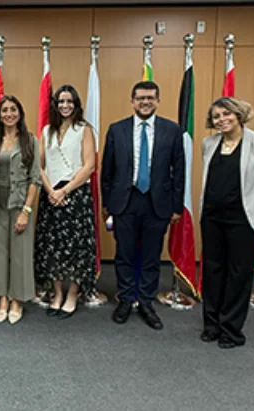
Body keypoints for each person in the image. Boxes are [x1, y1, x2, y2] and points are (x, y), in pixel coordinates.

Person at [100, 81, 184, 330]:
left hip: (157, 203)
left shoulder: (172, 130)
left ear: (158, 100)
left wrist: (177, 207)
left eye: (150, 98)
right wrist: (107, 204)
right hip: (125, 202)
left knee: (151, 255)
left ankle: (146, 301)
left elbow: (178, 171)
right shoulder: (117, 130)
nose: (145, 102)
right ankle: (125, 299)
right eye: (140, 98)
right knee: (124, 254)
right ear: (132, 100)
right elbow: (107, 171)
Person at [199, 97, 254, 349]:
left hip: (244, 220)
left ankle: (230, 330)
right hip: (212, 217)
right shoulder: (208, 143)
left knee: (238, 273)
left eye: (226, 114)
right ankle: (211, 325)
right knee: (212, 271)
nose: (221, 119)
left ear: (239, 114)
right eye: (216, 117)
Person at [35, 85, 97, 319]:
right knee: (53, 248)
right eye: (61, 101)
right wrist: (51, 190)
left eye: (69, 101)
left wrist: (65, 191)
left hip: (76, 194)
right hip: (50, 194)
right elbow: (39, 166)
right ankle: (57, 293)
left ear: (76, 104)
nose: (65, 106)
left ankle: (73, 294)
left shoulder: (84, 130)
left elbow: (89, 165)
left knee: (76, 248)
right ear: (55, 104)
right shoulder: (47, 131)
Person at [0, 95, 41, 325]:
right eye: (4, 110)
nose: (9, 114)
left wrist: (26, 210)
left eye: (13, 109)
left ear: (20, 113)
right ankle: (2, 298)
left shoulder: (30, 141)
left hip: (19, 202)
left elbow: (35, 179)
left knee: (20, 252)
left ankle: (17, 300)